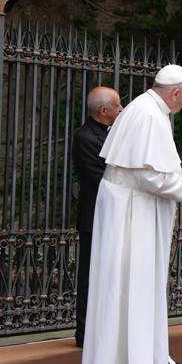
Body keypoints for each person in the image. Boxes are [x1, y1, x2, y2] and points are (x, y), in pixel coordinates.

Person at [80, 65, 182, 364]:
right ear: (176, 92)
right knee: (132, 283)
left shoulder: (143, 107)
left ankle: (136, 361)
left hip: (128, 206)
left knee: (125, 285)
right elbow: (147, 175)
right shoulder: (150, 115)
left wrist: (178, 182)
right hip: (131, 213)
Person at [71, 86, 123, 348]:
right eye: (117, 105)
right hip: (94, 217)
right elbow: (103, 176)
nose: (121, 109)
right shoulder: (85, 138)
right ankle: (84, 332)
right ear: (103, 111)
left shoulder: (112, 132)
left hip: (112, 215)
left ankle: (105, 328)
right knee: (90, 275)